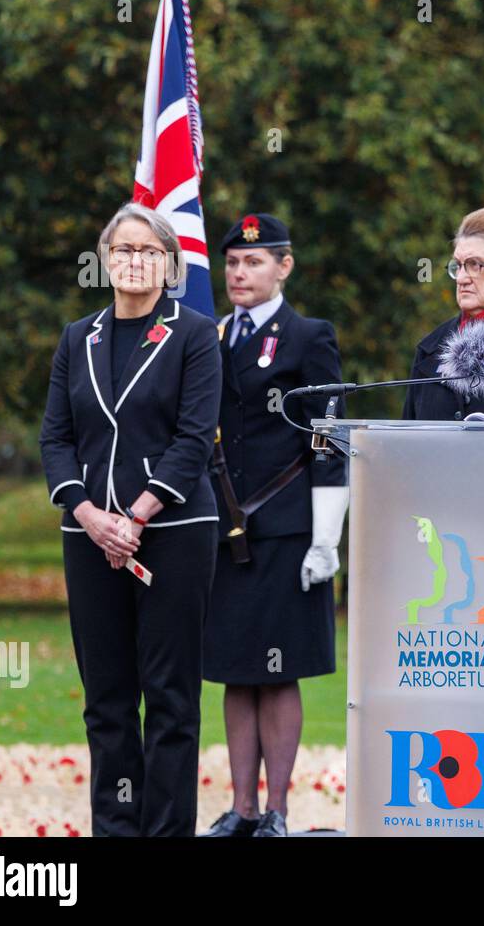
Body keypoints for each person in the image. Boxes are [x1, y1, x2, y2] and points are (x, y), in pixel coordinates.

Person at [39, 202, 221, 836]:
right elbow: (56, 440)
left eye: (148, 251)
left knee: (171, 697)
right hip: (88, 538)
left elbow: (195, 438)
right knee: (107, 700)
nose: (135, 261)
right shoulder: (76, 338)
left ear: (169, 262)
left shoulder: (195, 334)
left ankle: (167, 830)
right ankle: (115, 828)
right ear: (105, 260)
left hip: (172, 534)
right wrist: (91, 515)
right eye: (123, 251)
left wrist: (136, 516)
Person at [199, 213, 348, 838]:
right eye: (232, 262)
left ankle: (278, 811)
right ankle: (243, 807)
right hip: (224, 534)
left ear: (283, 267)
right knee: (237, 670)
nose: (240, 273)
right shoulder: (209, 337)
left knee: (277, 672)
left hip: (287, 530)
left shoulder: (308, 336)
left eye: (254, 262)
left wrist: (325, 536)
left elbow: (327, 436)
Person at [402, 205, 484, 420]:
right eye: (458, 266)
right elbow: (406, 441)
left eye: (474, 265)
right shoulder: (430, 347)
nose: (462, 278)